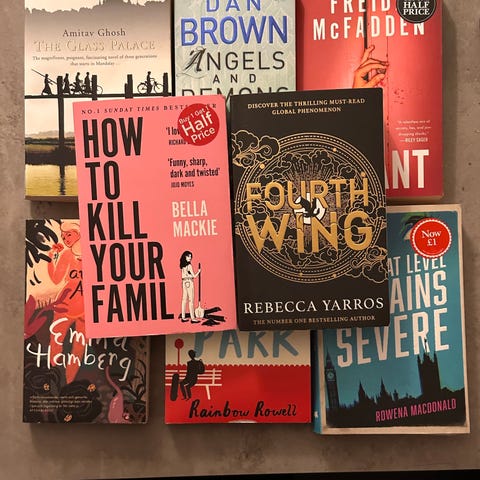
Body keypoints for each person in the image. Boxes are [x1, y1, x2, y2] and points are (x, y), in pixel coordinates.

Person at [47, 221, 85, 384]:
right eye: (63, 236)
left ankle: (69, 383)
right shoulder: (67, 255)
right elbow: (56, 279)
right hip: (65, 304)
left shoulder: (93, 254)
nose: (65, 239)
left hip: (87, 308)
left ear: (79, 233)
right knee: (56, 341)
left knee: (79, 347)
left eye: (69, 234)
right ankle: (54, 380)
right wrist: (51, 257)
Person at [179, 250, 201, 323]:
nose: (190, 258)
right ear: (185, 257)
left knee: (184, 300)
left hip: (184, 282)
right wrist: (198, 272)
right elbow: (193, 276)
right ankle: (193, 318)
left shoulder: (182, 266)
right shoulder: (189, 266)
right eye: (188, 256)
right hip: (189, 282)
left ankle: (183, 317)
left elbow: (185, 274)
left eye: (190, 256)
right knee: (191, 300)